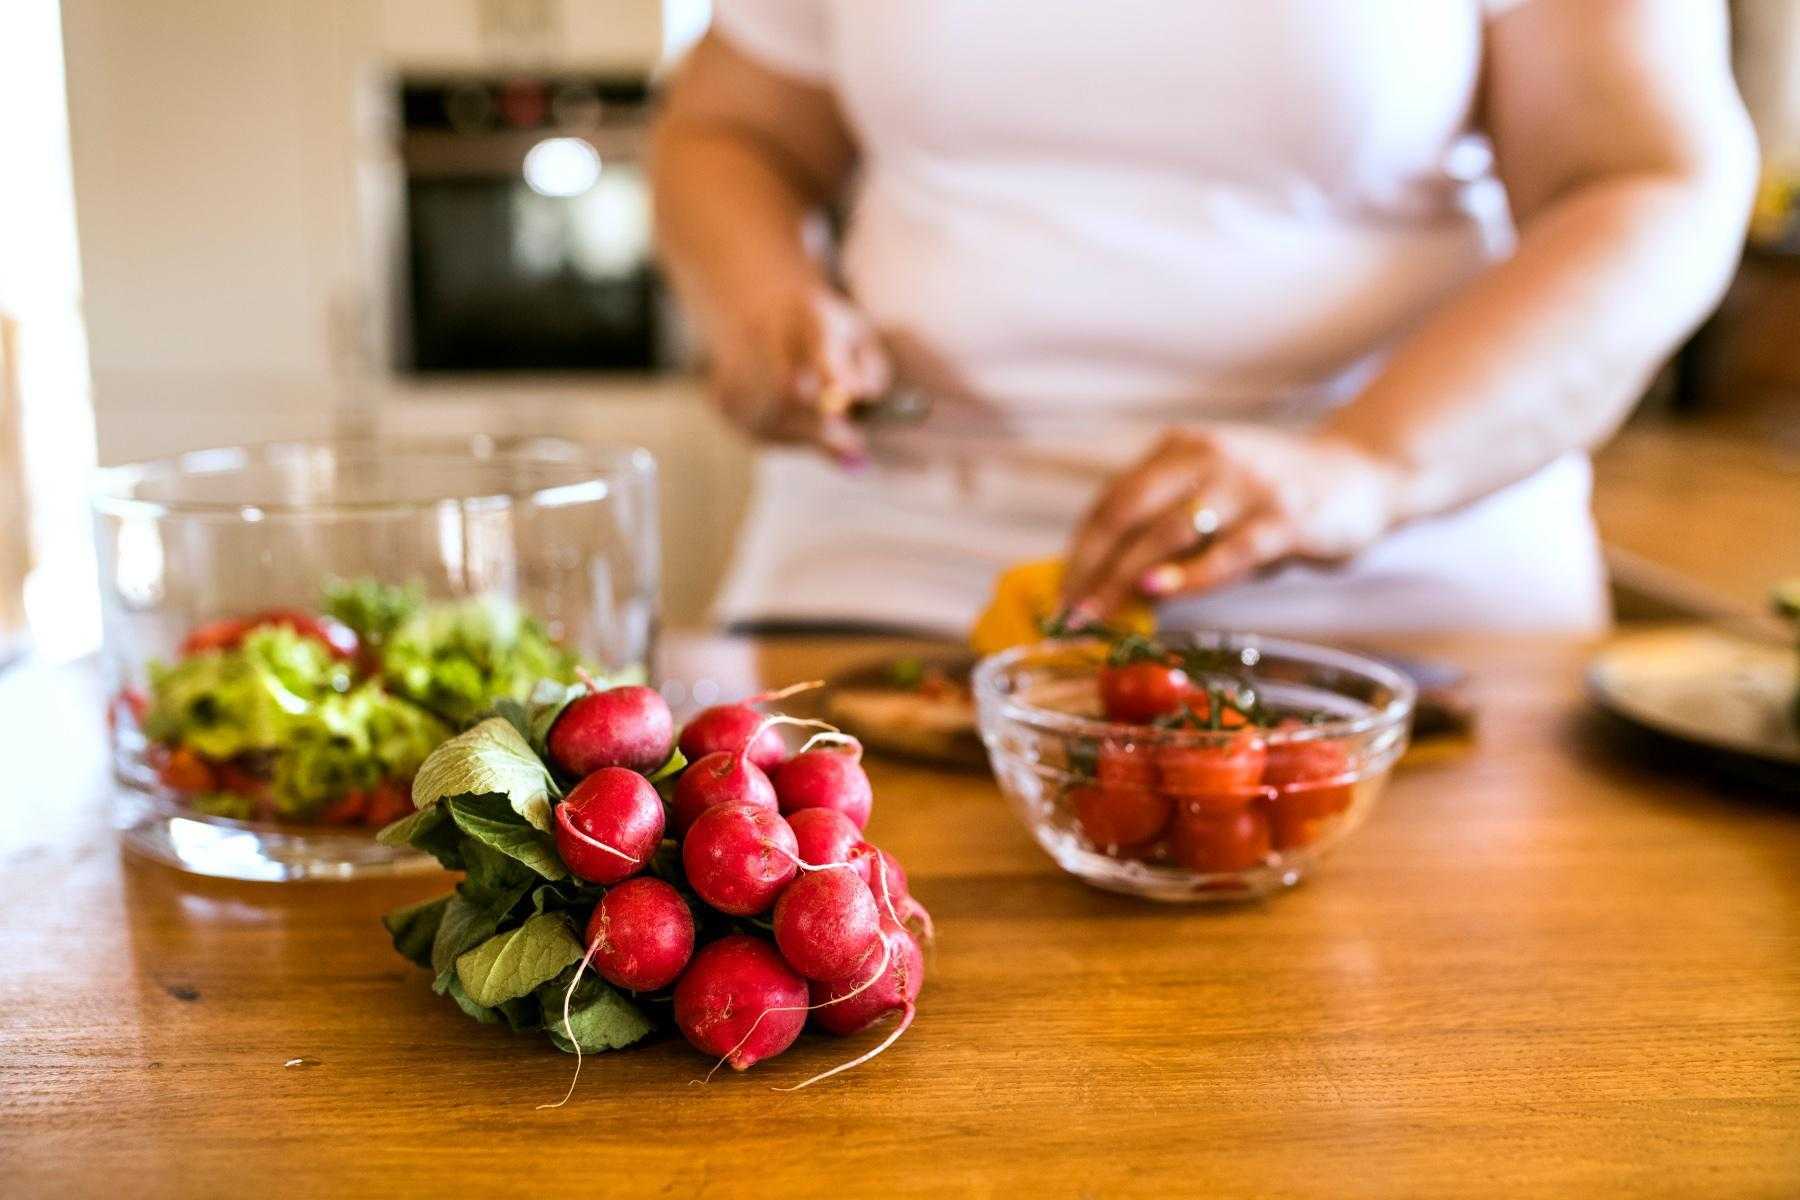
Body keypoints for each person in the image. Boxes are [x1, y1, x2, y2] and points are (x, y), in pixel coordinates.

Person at [652, 1, 1756, 636]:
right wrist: (759, 300)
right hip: (888, 573)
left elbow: (1651, 181)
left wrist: (1365, 466)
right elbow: (730, 131)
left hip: (1403, 608)